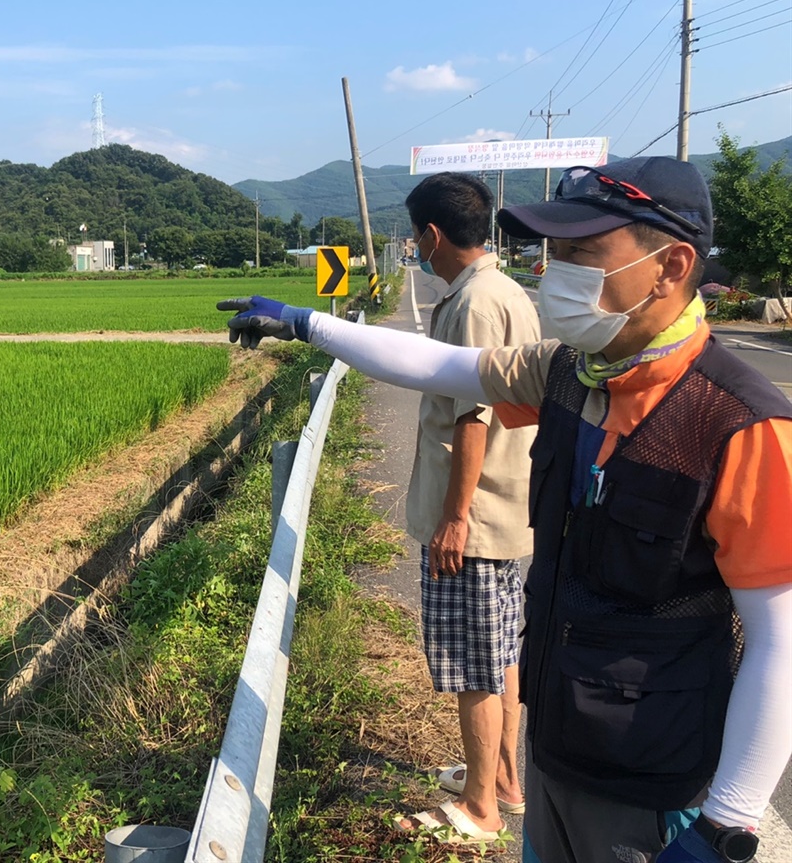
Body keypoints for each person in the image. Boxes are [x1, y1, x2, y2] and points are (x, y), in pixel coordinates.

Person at [219, 157, 792, 862]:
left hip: (654, 788)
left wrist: (726, 827)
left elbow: (780, 640)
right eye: (554, 252)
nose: (556, 272)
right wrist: (307, 324)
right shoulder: (572, 373)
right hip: (556, 746)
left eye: (582, 253)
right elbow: (437, 367)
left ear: (671, 266)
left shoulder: (740, 425)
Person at [396, 173, 539, 842]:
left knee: (475, 666)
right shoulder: (507, 289)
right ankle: (505, 782)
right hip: (508, 507)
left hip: (475, 520)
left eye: (414, 235)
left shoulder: (470, 305)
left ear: (431, 234)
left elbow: (471, 420)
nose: (415, 247)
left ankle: (480, 808)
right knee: (502, 654)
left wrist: (454, 518)